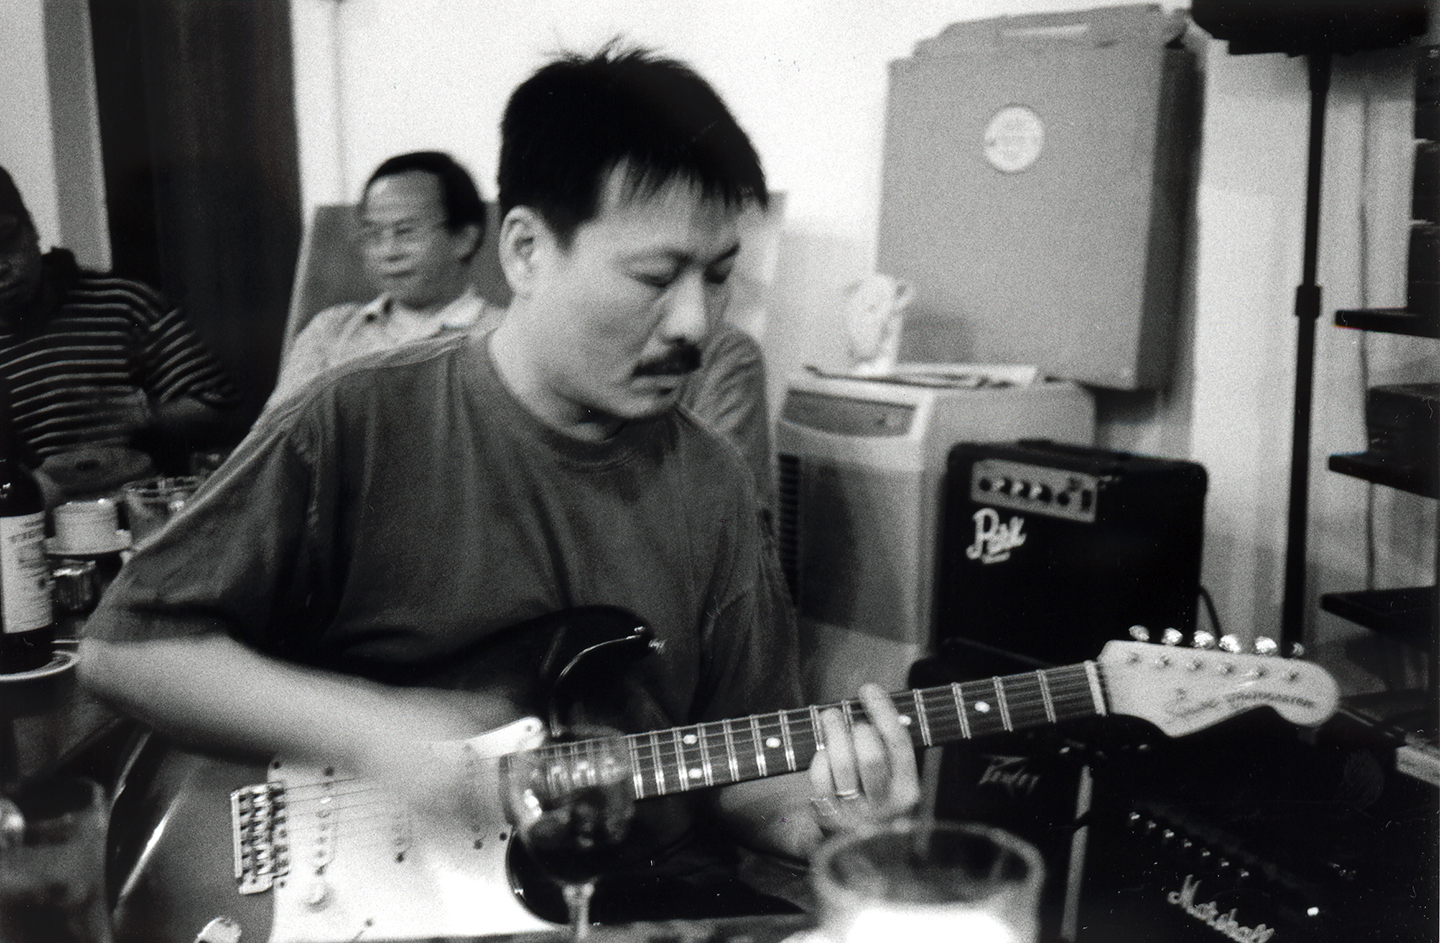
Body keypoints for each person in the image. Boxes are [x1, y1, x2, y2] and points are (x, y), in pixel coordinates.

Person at [78, 44, 918, 925]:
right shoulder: (354, 421)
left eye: (717, 276)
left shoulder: (708, 480)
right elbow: (125, 649)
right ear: (524, 250)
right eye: (656, 276)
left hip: (636, 899)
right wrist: (370, 729)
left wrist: (824, 815)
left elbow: (746, 772)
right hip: (368, 900)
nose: (694, 323)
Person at [0, 165, 242, 500]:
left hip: (138, 514)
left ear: (32, 226)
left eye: (6, 239)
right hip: (28, 529)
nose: (1, 266)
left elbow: (224, 410)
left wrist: (151, 413)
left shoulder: (123, 304)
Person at [266, 150, 497, 407]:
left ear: (464, 239)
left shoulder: (502, 336)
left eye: (405, 232)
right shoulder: (331, 331)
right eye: (374, 235)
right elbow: (274, 438)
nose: (388, 252)